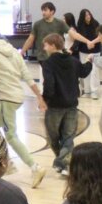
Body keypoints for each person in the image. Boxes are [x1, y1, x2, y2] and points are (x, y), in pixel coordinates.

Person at [0, 23, 47, 187]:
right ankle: (4, 164)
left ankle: (35, 167)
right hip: (17, 96)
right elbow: (27, 75)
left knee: (11, 136)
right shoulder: (13, 51)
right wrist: (39, 96)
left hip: (6, 99)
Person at [40, 34, 83, 173]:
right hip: (71, 104)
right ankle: (64, 162)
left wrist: (44, 99)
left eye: (46, 44)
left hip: (55, 105)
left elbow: (49, 84)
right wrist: (89, 62)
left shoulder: (48, 63)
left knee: (53, 137)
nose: (44, 48)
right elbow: (84, 72)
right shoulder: (73, 60)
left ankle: (61, 162)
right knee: (68, 136)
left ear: (53, 45)